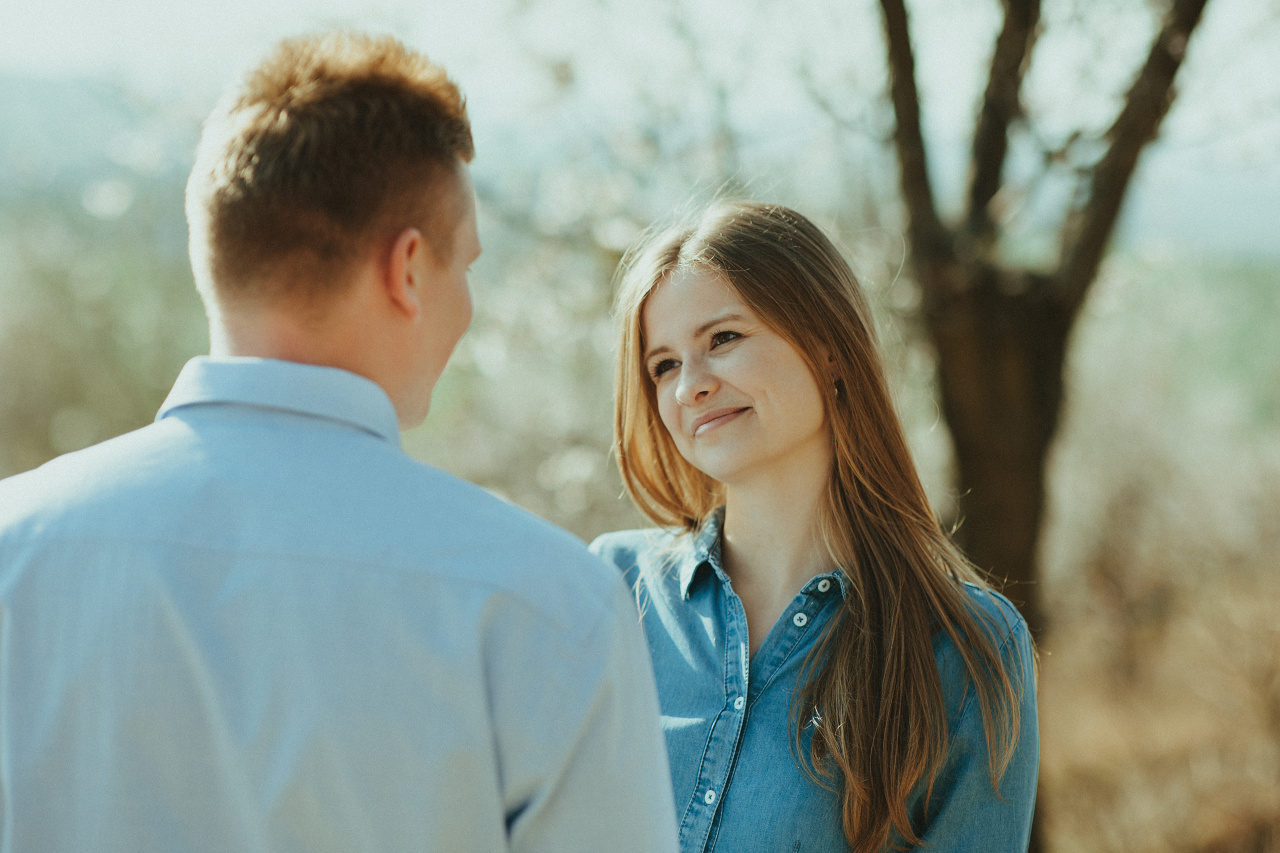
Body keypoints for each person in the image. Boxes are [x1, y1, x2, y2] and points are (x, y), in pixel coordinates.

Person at [0, 32, 678, 853]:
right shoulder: (548, 608)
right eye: (466, 265)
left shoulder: (14, 549)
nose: (467, 307)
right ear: (408, 269)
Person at [591, 201, 1038, 853]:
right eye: (663, 365)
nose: (690, 386)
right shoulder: (610, 589)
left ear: (828, 347)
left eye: (723, 339)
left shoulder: (965, 647)